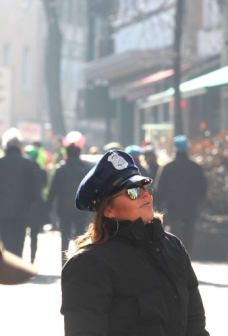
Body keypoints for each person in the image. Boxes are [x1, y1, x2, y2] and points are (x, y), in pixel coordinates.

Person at [61, 150, 209, 336]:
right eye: (132, 192)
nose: (144, 196)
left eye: (144, 188)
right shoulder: (88, 264)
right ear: (108, 210)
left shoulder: (172, 246)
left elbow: (195, 324)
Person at [155, 135, 207, 252]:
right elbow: (202, 189)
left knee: (174, 234)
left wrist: (158, 207)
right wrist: (199, 204)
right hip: (191, 207)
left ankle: (176, 255)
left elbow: (160, 189)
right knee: (189, 233)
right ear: (187, 148)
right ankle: (188, 257)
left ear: (175, 148)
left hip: (172, 207)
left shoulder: (168, 167)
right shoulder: (195, 167)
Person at [48, 133, 92, 264]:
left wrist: (48, 206)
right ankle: (78, 261)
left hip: (64, 208)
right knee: (80, 236)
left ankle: (64, 262)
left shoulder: (60, 169)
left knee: (64, 236)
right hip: (81, 207)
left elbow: (53, 190)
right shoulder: (85, 169)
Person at [0, 128, 40, 257]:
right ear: (20, 146)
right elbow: (35, 191)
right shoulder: (29, 164)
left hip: (3, 213)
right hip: (22, 212)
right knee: (18, 245)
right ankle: (17, 273)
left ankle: (5, 272)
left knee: (5, 245)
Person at [24, 144, 49, 263]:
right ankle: (32, 258)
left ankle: (19, 258)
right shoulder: (41, 169)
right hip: (37, 205)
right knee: (34, 234)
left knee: (21, 233)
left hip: (24, 205)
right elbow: (44, 185)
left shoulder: (22, 168)